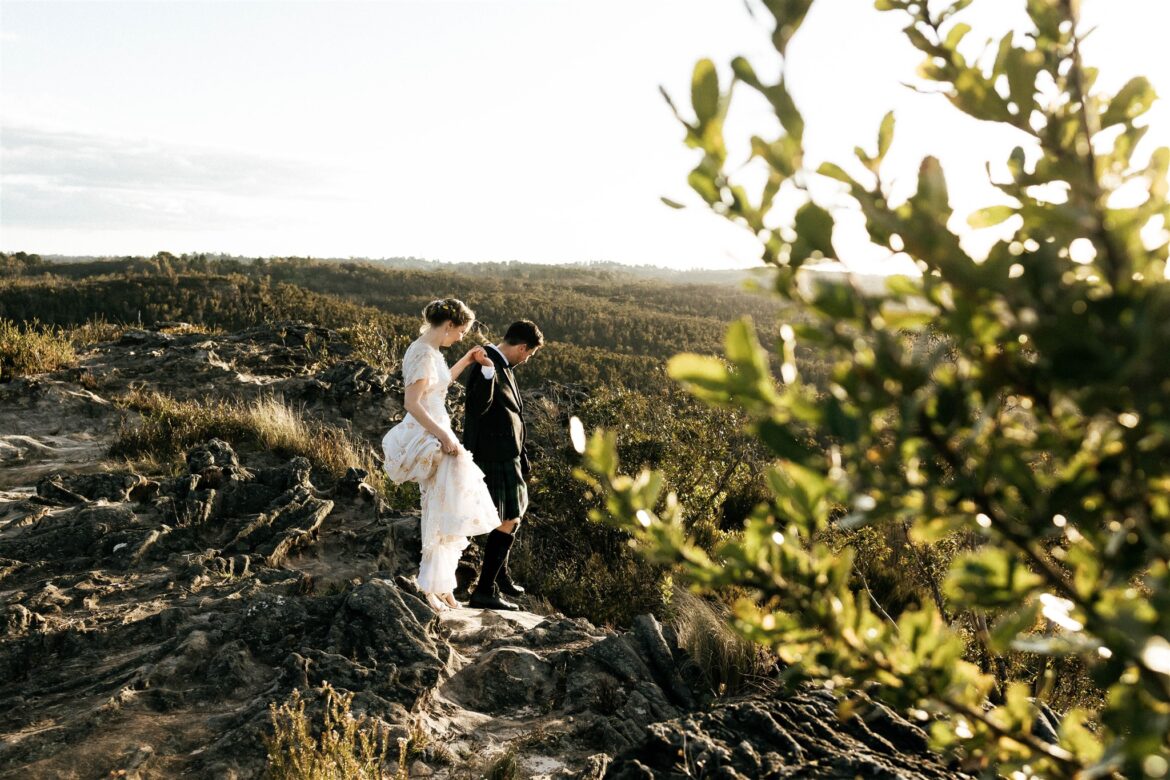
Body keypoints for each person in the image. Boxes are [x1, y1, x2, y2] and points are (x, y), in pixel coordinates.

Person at [381, 298, 500, 612]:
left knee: (450, 509)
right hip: (432, 436)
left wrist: (468, 359)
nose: (461, 337)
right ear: (449, 325)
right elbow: (412, 403)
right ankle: (430, 587)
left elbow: (441, 385)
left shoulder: (431, 352)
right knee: (439, 510)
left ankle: (443, 586)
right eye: (461, 331)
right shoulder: (421, 353)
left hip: (440, 432)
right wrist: (445, 436)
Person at [462, 319, 544, 611]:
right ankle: (485, 590)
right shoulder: (487, 363)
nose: (527, 359)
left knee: (514, 516)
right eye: (529, 354)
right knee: (507, 518)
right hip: (492, 454)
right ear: (522, 347)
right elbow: (476, 408)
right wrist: (486, 372)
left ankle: (501, 575)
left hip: (507, 454)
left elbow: (512, 412)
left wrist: (521, 455)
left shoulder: (502, 363)